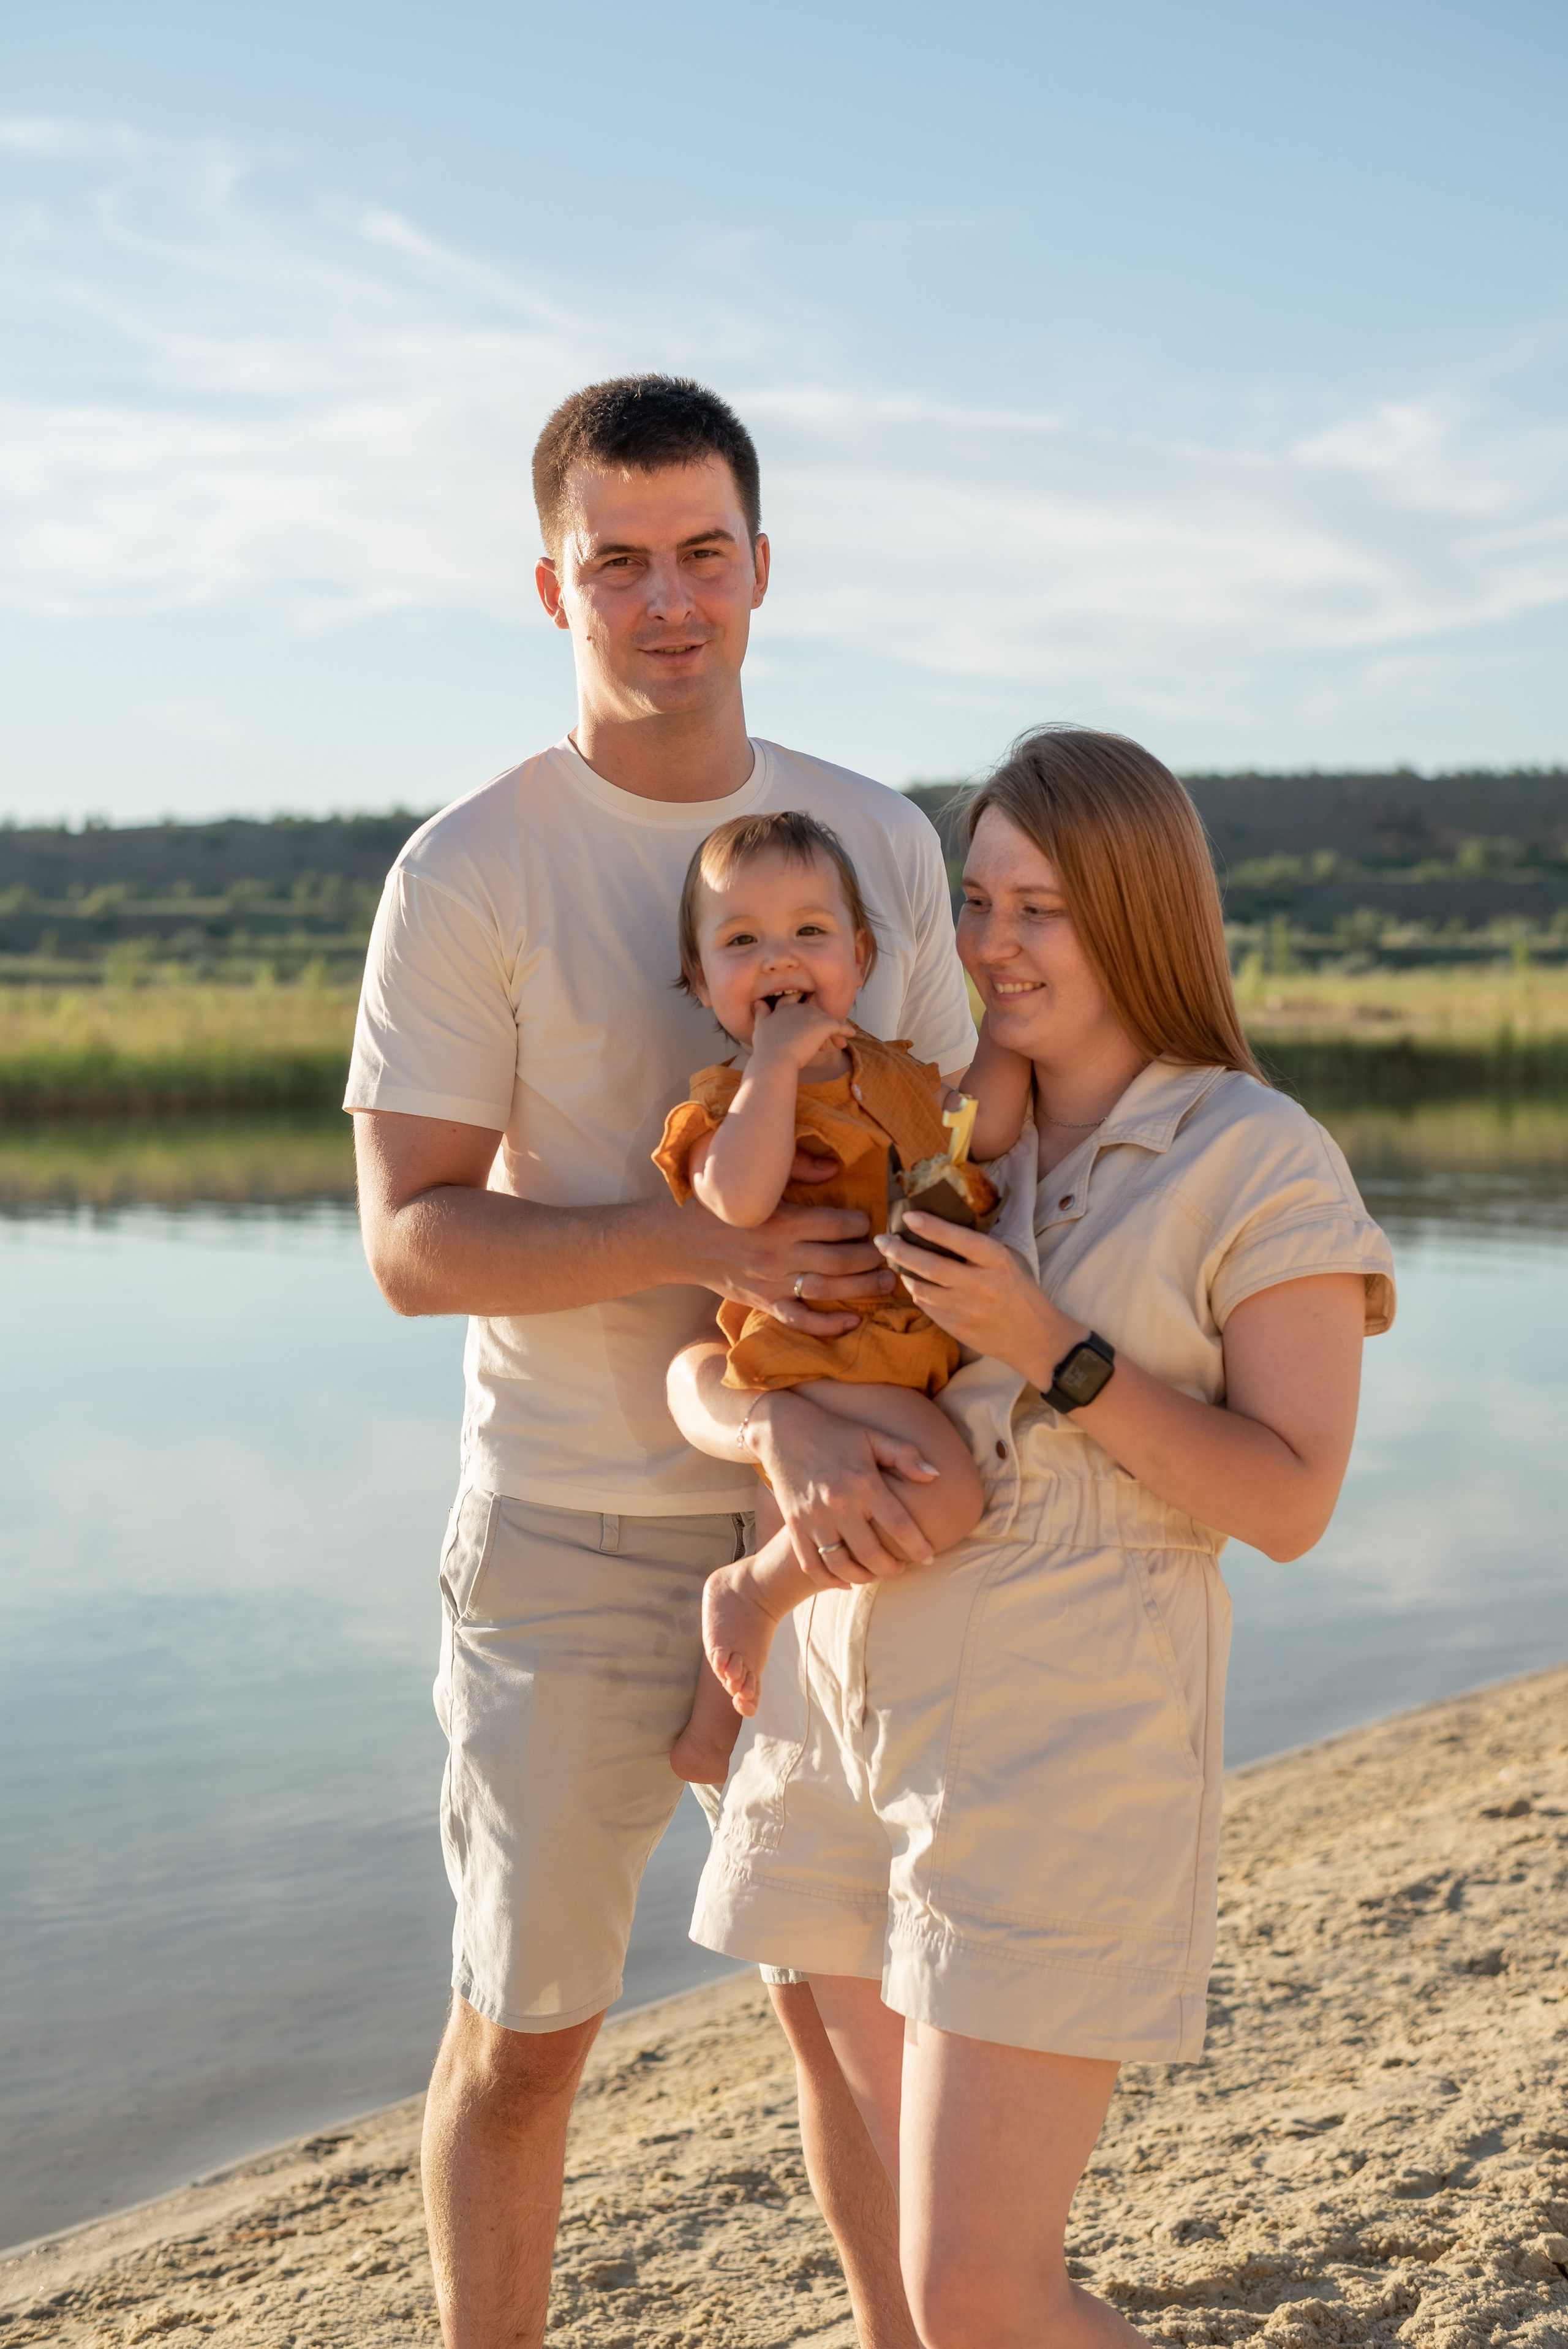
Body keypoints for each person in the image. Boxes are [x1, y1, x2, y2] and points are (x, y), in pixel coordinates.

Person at [345, 373, 977, 2349]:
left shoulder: (870, 836)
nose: (666, 598)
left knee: (855, 2004)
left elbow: (970, 1151)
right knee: (531, 2036)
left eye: (703, 553)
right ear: (554, 587)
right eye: (617, 562)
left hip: (847, 1517)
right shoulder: (470, 870)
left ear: (762, 569)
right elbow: (410, 1239)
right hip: (568, 1533)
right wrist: (693, 1242)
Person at [666, 726, 1396, 2348]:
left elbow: (1288, 1499)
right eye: (979, 900)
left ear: (1138, 913)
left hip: (1064, 1740)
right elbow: (712, 1353)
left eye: (1042, 908)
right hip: (839, 1710)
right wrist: (763, 1426)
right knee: (919, 2300)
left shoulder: (1252, 1154)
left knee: (982, 2297)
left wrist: (1056, 1344)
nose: (993, 945)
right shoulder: (914, 1116)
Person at [654, 809, 1028, 1783]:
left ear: (858, 957)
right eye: (742, 943)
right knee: (939, 1495)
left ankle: (715, 1726)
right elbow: (734, 1202)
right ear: (703, 982)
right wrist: (773, 1069)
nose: (779, 959)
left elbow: (967, 1141)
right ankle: (750, 1596)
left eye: (808, 933)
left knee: (795, 1524)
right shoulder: (723, 1102)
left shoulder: (897, 1071)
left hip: (894, 1350)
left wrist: (1018, 1038)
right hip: (814, 1357)